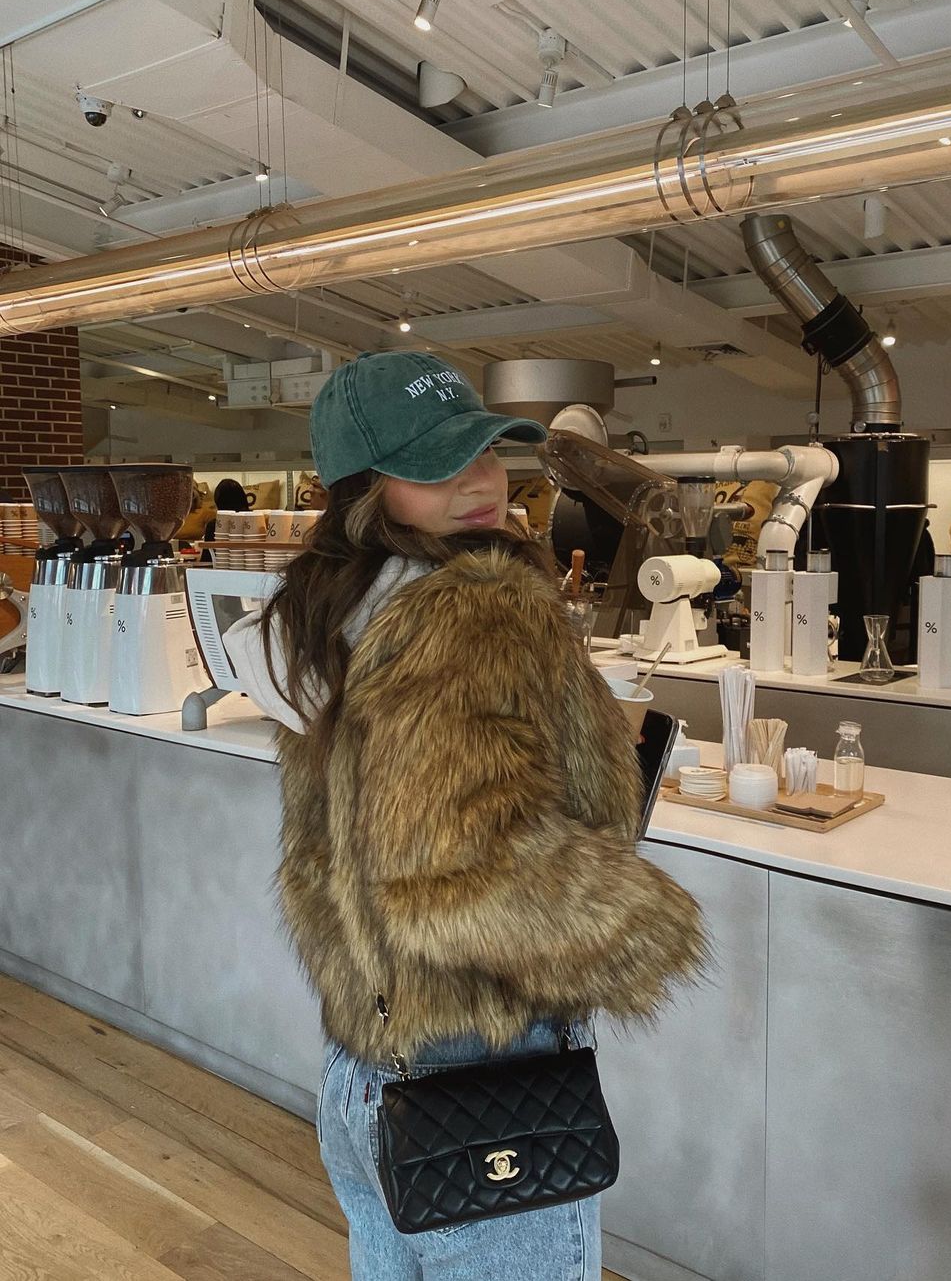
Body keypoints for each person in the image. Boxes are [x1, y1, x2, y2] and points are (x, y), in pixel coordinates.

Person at [224, 351, 706, 1281]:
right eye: (436, 465)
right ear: (366, 488)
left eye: (484, 451)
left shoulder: (322, 614)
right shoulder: (474, 610)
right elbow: (456, 875)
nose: (480, 481)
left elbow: (391, 826)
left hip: (368, 1068)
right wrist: (644, 925)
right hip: (487, 1072)